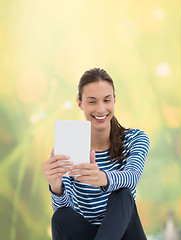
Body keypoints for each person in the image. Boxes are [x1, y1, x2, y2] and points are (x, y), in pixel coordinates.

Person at [43, 68, 150, 240]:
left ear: (114, 100)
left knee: (122, 194)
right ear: (80, 103)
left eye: (107, 100)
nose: (101, 109)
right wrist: (57, 187)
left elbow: (132, 177)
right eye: (92, 102)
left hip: (127, 235)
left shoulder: (135, 139)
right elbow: (65, 211)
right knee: (61, 218)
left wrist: (103, 179)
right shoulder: (67, 150)